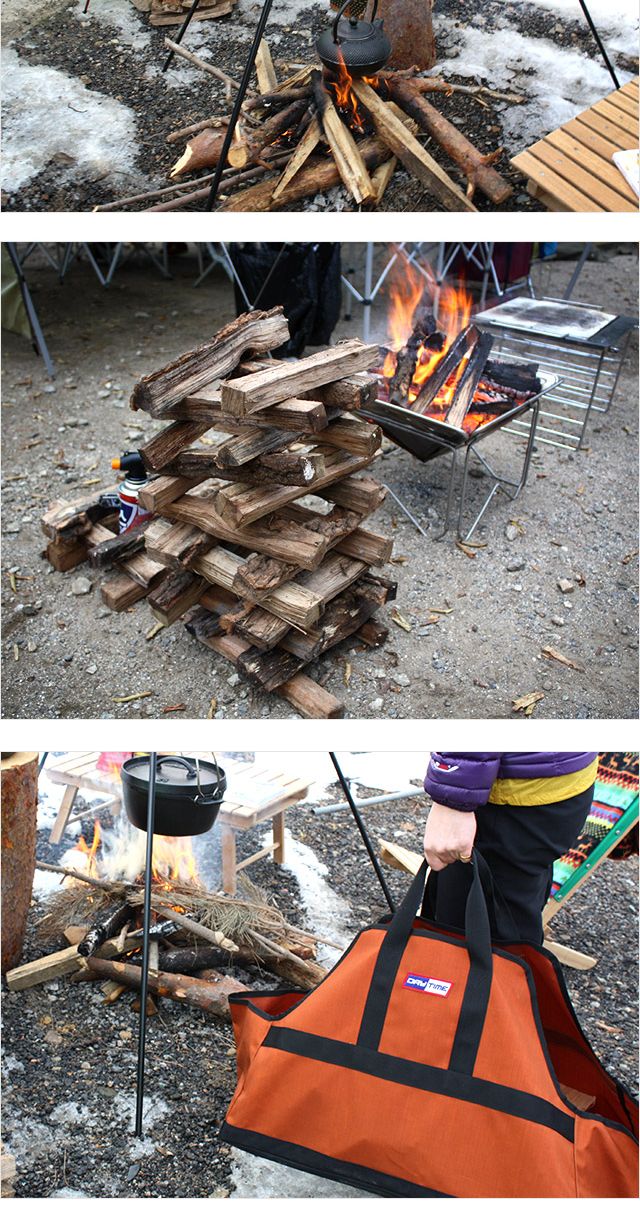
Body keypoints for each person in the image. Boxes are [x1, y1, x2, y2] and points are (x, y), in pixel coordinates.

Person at [422, 752, 598, 944]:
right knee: (506, 919)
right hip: (556, 782)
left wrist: (454, 799)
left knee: (479, 945)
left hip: (509, 793)